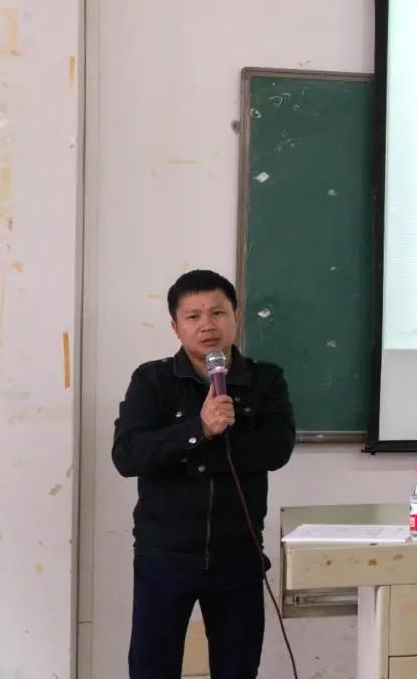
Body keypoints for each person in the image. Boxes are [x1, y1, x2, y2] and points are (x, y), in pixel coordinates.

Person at [112, 269, 295, 679]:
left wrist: (192, 452)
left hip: (239, 555)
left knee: (238, 669)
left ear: (236, 316)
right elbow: (127, 456)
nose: (207, 325)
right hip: (165, 555)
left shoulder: (265, 380)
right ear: (176, 327)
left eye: (217, 312)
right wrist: (199, 430)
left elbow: (276, 449)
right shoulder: (152, 380)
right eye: (193, 316)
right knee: (152, 669)